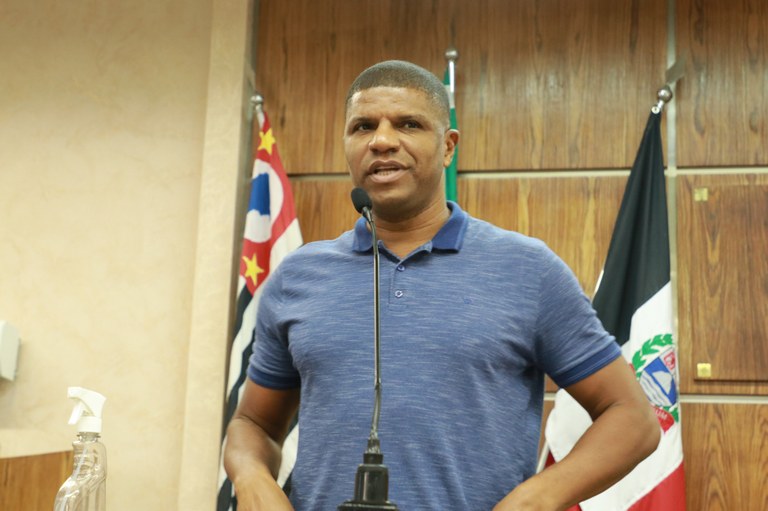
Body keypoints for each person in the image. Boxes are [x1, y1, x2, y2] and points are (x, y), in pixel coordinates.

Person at [224, 60, 660, 511]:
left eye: (408, 124)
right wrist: (252, 477)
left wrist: (538, 496)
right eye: (363, 126)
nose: (382, 140)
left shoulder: (528, 270)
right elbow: (254, 424)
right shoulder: (297, 277)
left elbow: (632, 418)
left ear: (448, 146)